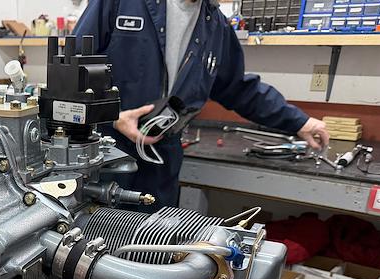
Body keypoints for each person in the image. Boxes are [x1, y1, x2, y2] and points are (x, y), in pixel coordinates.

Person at [73, 0, 330, 207]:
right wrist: (113, 115)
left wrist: (300, 122)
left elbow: (238, 88)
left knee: (152, 242)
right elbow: (73, 67)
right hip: (107, 150)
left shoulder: (215, 25)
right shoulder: (120, 3)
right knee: (99, 238)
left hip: (162, 154)